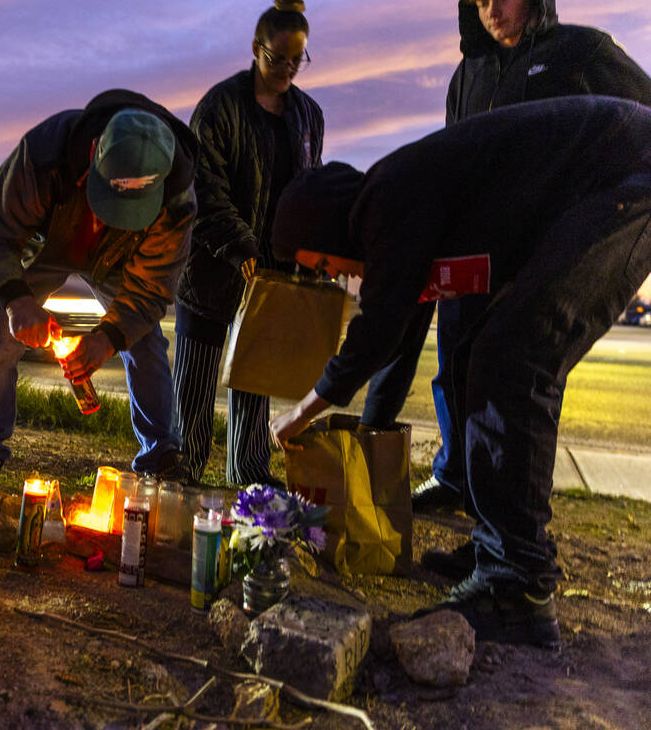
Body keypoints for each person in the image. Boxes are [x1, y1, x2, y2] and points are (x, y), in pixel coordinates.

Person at [267, 96, 651, 648]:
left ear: (326, 231)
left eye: (324, 265)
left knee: (514, 359)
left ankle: (517, 588)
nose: (334, 277)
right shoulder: (398, 212)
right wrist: (367, 436)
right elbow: (398, 339)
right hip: (602, 184)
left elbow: (375, 334)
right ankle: (496, 547)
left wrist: (301, 414)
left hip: (622, 177)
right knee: (475, 356)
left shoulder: (385, 199)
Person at [358, 0, 651, 522]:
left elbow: (641, 120)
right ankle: (456, 478)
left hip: (545, 251)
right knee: (454, 369)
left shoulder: (581, 51)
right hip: (471, 253)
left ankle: (504, 520)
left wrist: (605, 214)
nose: (493, 9)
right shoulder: (467, 75)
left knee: (513, 383)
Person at [0, 89, 198, 483]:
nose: (118, 219)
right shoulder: (44, 156)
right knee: (3, 332)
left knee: (146, 341)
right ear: (93, 155)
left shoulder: (176, 202)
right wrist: (19, 301)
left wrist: (106, 338)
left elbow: (152, 289)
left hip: (119, 260)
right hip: (51, 245)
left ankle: (162, 458)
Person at [172, 0, 323, 486]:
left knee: (255, 377)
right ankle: (184, 471)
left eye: (296, 60)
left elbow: (309, 186)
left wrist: (302, 252)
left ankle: (249, 474)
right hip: (214, 266)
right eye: (276, 58)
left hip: (273, 272)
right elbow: (204, 190)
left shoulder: (308, 116)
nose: (286, 69)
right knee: (194, 380)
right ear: (255, 47)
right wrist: (242, 247)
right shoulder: (219, 107)